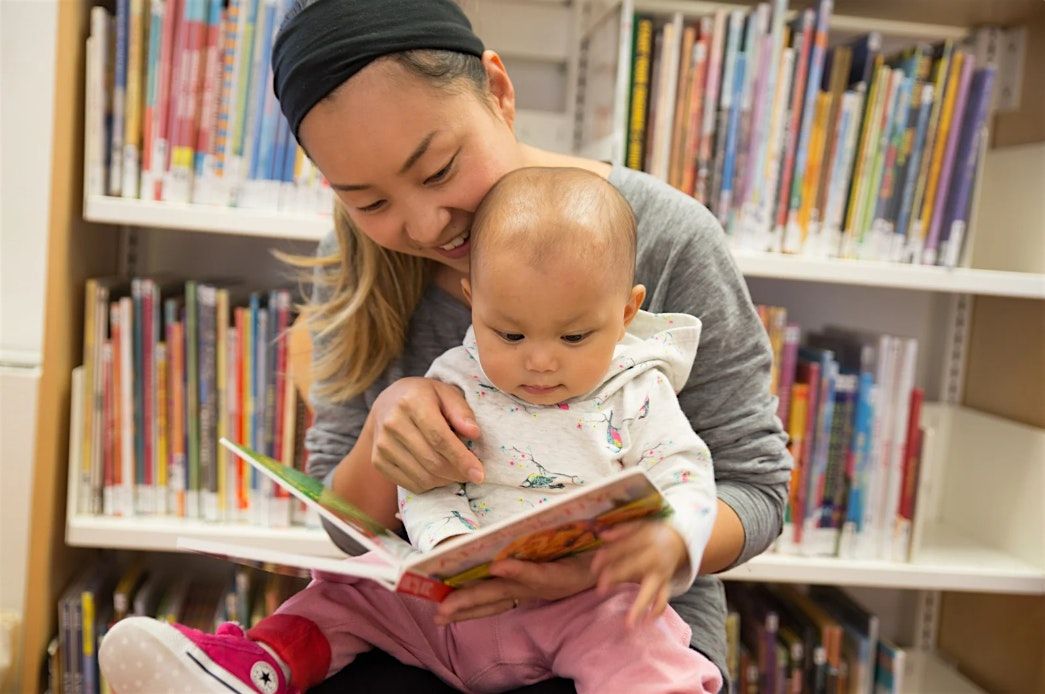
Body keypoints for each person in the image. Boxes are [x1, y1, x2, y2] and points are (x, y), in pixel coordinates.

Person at [103, 0, 791, 691]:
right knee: (326, 612)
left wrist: (638, 552)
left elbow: (756, 489)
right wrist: (385, 430)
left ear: (498, 91)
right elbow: (345, 534)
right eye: (370, 203)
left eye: (437, 170)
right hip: (430, 627)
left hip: (623, 623)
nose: (426, 225)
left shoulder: (665, 236)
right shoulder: (355, 270)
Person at [101, 166, 724, 693]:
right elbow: (425, 483)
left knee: (639, 633)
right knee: (341, 592)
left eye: (575, 336)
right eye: (509, 333)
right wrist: (446, 549)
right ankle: (253, 668)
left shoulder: (638, 391)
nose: (539, 360)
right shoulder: (455, 379)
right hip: (442, 607)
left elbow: (686, 472)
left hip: (576, 605)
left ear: (626, 311)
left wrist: (674, 537)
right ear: (473, 299)